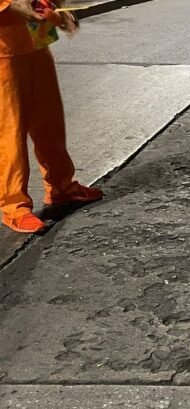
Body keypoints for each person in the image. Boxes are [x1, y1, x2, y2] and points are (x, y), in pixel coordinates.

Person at [0, 0, 102, 234]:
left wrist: (57, 9)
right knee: (9, 131)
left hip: (36, 40)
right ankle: (14, 206)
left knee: (50, 122)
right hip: (4, 47)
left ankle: (62, 187)